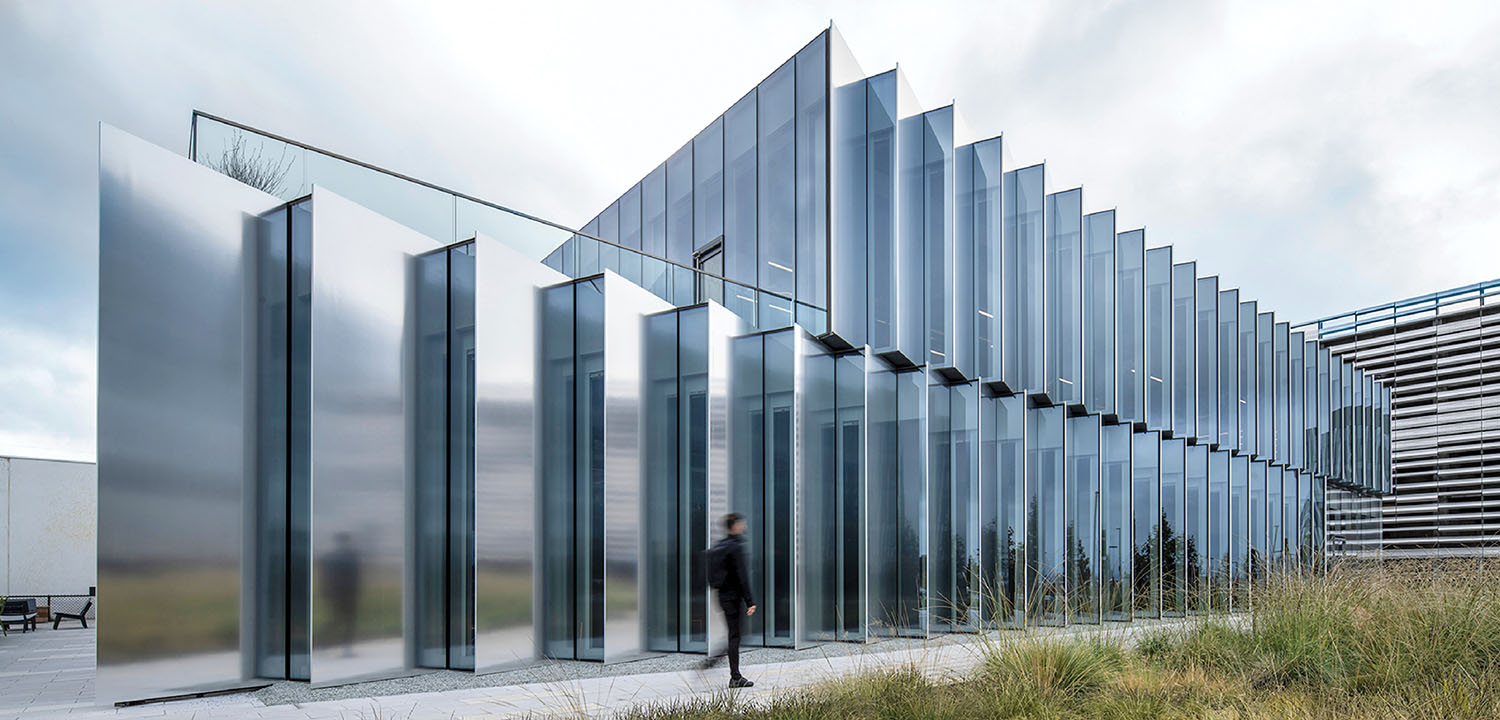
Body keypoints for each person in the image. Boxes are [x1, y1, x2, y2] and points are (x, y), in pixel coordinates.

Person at [703, 512, 756, 688]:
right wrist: (749, 601)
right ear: (734, 526)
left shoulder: (719, 546)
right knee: (735, 636)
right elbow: (742, 575)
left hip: (722, 597)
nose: (744, 526)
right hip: (733, 598)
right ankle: (735, 677)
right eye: (741, 524)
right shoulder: (735, 547)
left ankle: (715, 663)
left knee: (734, 634)